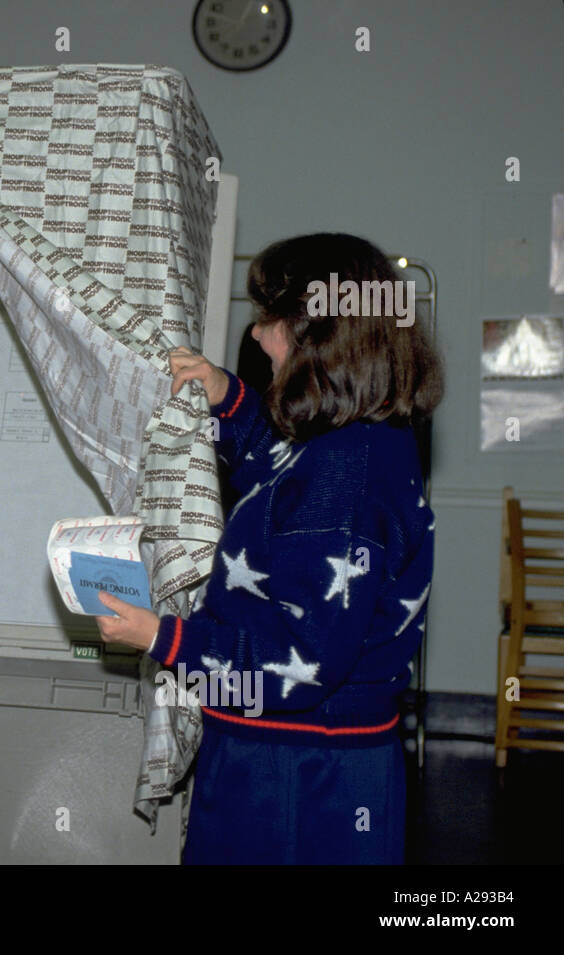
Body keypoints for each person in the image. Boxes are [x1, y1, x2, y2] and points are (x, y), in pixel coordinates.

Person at [96, 232, 443, 864]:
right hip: (311, 757)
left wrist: (165, 639)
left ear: (318, 336)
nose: (256, 336)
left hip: (297, 773)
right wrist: (229, 398)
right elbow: (286, 479)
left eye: (269, 318)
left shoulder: (345, 474)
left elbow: (301, 661)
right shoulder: (361, 442)